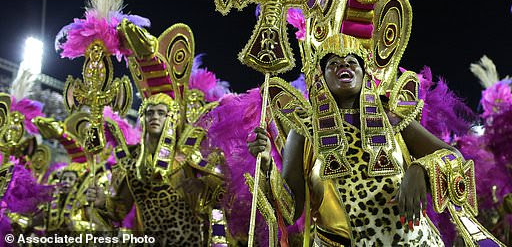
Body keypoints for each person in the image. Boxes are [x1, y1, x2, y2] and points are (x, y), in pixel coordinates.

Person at [249, 33, 450, 246]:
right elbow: (291, 210)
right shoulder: (303, 131)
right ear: (321, 76)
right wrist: (267, 165)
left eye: (352, 61)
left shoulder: (393, 119)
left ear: (365, 73)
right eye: (333, 63)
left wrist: (420, 169)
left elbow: (452, 157)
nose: (343, 65)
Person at [86, 93, 225, 246]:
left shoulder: (188, 155)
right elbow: (120, 210)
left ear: (171, 118)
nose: (155, 117)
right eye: (150, 113)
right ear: (143, 118)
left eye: (161, 113)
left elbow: (220, 193)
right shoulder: (132, 162)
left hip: (189, 240)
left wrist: (203, 186)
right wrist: (102, 202)